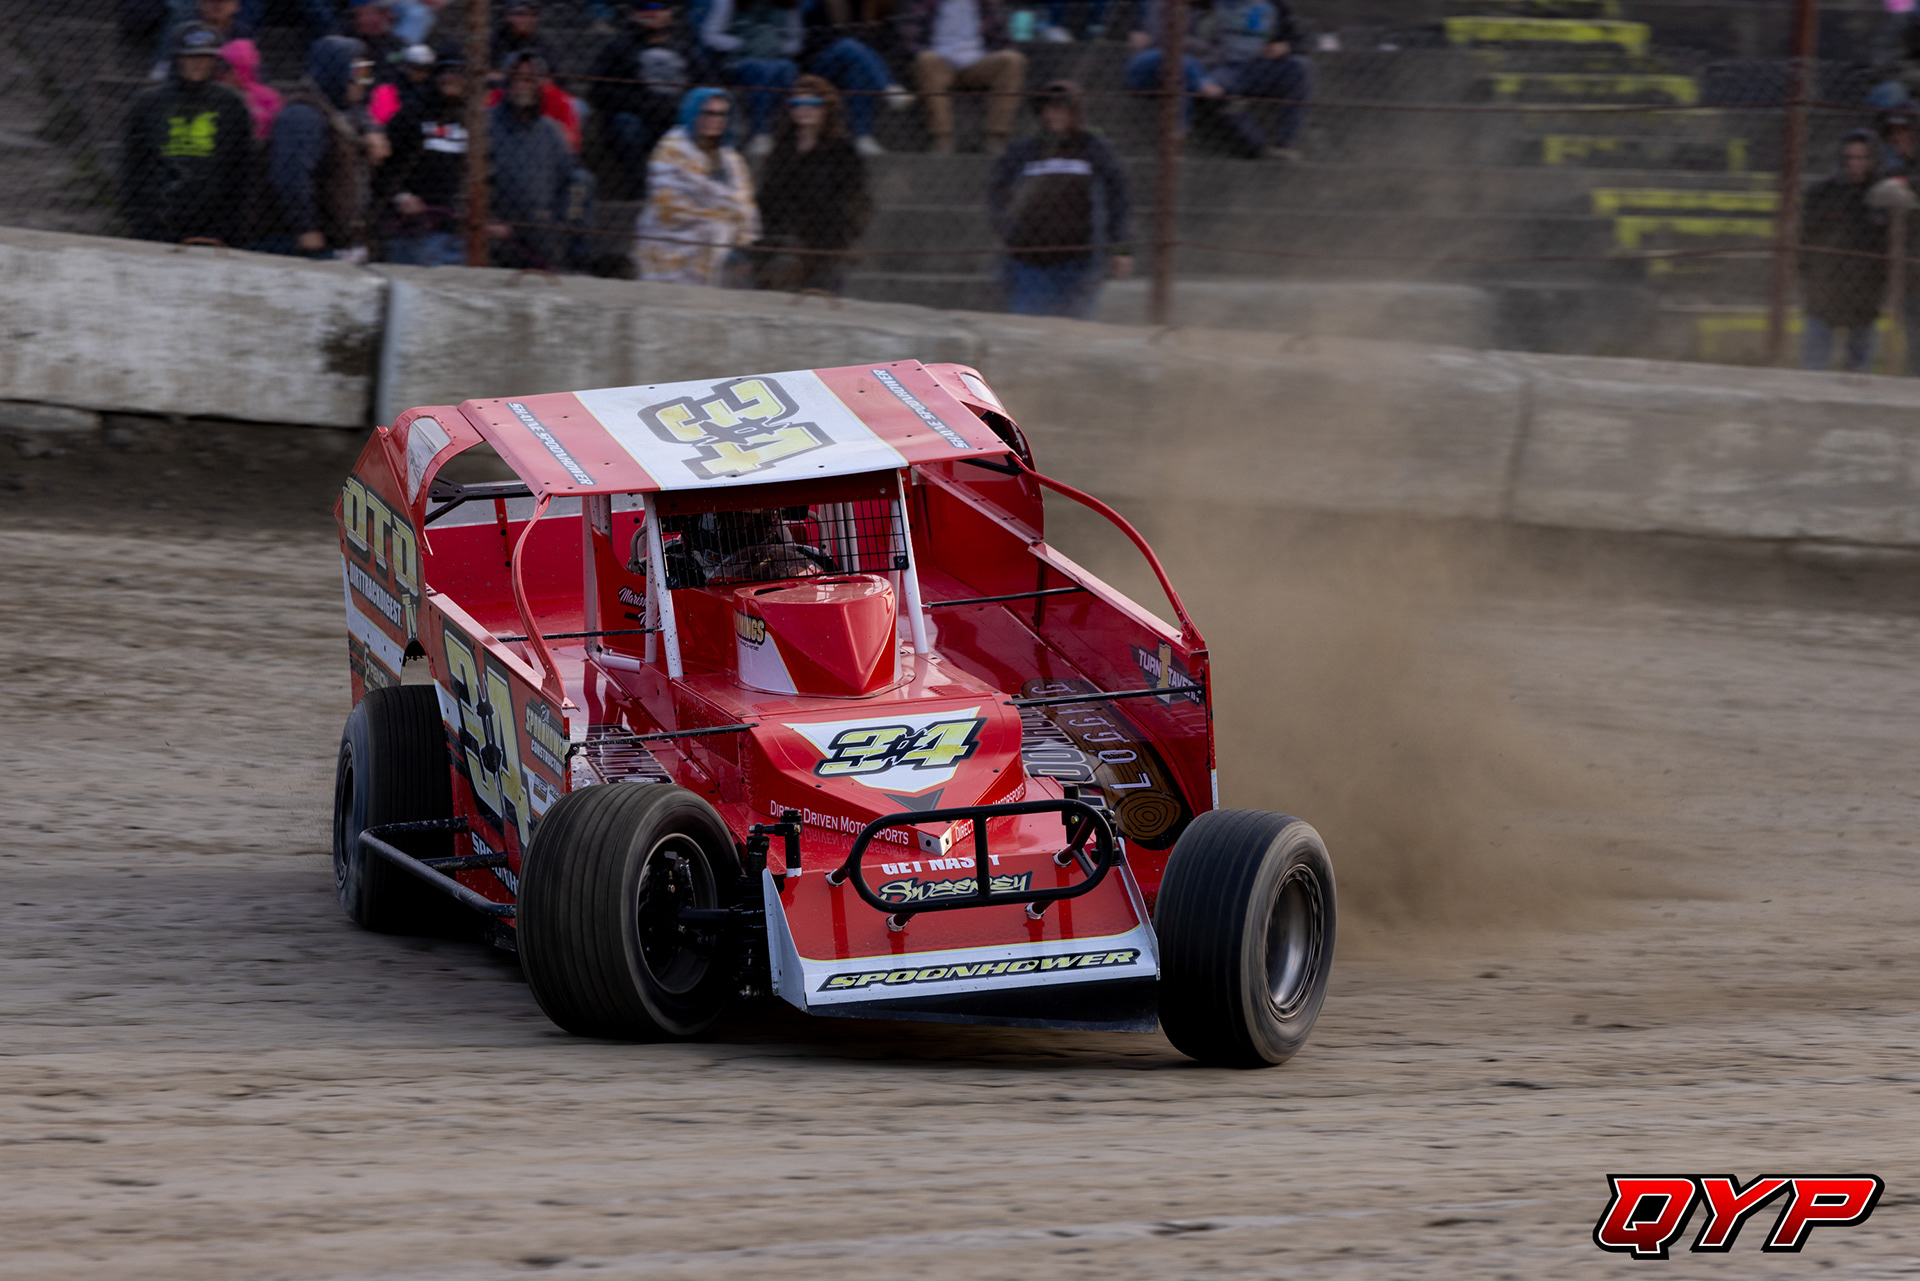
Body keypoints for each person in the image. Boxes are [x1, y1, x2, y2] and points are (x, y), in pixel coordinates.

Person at [987, 79, 1131, 318]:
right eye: (1046, 108)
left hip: (1081, 264)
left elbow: (1119, 200)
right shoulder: (1024, 150)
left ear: (1075, 112)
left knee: (1077, 331)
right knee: (1028, 329)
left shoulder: (1095, 148)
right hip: (1029, 263)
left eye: (1059, 108)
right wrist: (1005, 226)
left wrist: (1122, 248)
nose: (1050, 115)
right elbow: (997, 190)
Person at [1123, 0, 1312, 159]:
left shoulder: (1273, 4)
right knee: (1218, 86)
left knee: (1299, 66)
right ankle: (1258, 147)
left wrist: (1286, 46)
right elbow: (1173, 23)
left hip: (1259, 66)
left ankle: (1286, 144)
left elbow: (1302, 37)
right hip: (1219, 66)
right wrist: (1138, 26)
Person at [121, 23, 255, 244]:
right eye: (191, 57)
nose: (198, 64)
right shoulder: (149, 103)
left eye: (205, 57)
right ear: (177, 58)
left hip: (216, 224)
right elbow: (133, 165)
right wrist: (140, 219)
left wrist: (233, 226)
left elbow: (242, 168)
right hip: (157, 222)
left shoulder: (231, 104)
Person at [756, 76, 871, 292]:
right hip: (783, 239)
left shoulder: (842, 151)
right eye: (797, 103)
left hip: (826, 241)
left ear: (826, 108)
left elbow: (854, 199)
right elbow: (767, 197)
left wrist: (842, 236)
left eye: (813, 103)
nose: (805, 109)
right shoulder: (781, 150)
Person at [636, 87, 759, 284]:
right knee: (715, 231)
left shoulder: (730, 158)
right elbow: (668, 203)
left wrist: (725, 217)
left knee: (731, 248)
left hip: (723, 236)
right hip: (673, 234)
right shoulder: (672, 149)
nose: (715, 119)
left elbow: (745, 203)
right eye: (708, 113)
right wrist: (719, 214)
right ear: (692, 112)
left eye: (722, 114)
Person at [266, 35, 376, 257]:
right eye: (357, 74)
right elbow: (291, 174)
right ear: (335, 72)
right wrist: (306, 227)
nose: (364, 82)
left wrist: (374, 130)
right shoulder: (303, 115)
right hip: (297, 242)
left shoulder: (338, 111)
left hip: (335, 240)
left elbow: (362, 115)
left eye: (367, 73)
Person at [587, 0, 694, 196]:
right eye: (644, 8)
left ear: (669, 13)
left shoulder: (684, 49)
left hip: (675, 117)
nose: (652, 13)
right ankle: (641, 187)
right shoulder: (619, 47)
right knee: (625, 124)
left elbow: (705, 83)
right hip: (637, 118)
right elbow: (598, 90)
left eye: (658, 7)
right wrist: (642, 104)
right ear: (634, 15)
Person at [1802, 131, 1888, 374]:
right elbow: (1805, 240)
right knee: (1814, 368)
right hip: (1825, 289)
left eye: (1862, 158)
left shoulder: (1881, 195)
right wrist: (1811, 276)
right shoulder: (1823, 194)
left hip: (1865, 294)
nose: (1855, 164)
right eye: (1850, 158)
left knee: (1859, 370)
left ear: (1872, 159)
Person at [894, 0, 1027, 155]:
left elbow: (1004, 40)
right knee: (925, 60)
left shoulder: (986, 4)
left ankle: (996, 138)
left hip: (979, 62)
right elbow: (909, 39)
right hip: (939, 63)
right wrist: (918, 55)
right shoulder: (923, 3)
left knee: (1013, 60)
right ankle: (943, 140)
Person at [377, 52, 470, 265]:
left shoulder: (471, 119)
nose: (452, 77)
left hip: (457, 228)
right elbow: (383, 166)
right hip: (413, 228)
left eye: (458, 72)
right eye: (445, 71)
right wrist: (401, 196)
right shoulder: (411, 114)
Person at [489, 52, 579, 269]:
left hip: (542, 236)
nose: (524, 86)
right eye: (518, 79)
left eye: (530, 80)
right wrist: (486, 220)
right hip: (496, 236)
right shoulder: (485, 124)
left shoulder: (552, 131)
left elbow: (572, 183)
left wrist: (562, 224)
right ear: (508, 83)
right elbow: (466, 177)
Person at [800, 0, 910, 156]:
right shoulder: (811, 5)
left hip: (846, 63)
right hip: (813, 64)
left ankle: (862, 137)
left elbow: (870, 35)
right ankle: (889, 88)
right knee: (848, 46)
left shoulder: (858, 6)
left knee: (858, 73)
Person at [700, 0, 804, 154]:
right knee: (763, 69)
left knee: (787, 68)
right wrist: (743, 44)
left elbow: (797, 42)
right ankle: (761, 132)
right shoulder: (727, 3)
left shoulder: (788, 5)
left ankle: (784, 133)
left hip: (776, 57)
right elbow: (710, 35)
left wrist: (776, 46)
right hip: (739, 59)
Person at [151, 0, 251, 79]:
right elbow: (164, 68)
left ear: (236, 6)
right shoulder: (184, 31)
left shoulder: (244, 34)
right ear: (200, 4)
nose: (216, 6)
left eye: (223, 1)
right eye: (210, 1)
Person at [216, 37, 282, 141]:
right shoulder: (216, 94)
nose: (223, 73)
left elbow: (275, 124)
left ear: (242, 67)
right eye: (221, 68)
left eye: (228, 68)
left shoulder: (268, 96)